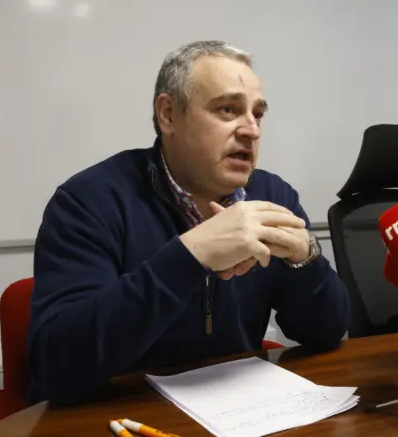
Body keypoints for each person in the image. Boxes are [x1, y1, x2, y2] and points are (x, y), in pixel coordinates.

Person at [27, 40, 350, 405]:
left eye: (257, 114)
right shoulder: (88, 201)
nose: (252, 131)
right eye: (228, 110)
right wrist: (191, 254)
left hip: (235, 412)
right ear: (168, 115)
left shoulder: (274, 196)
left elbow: (327, 333)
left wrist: (305, 260)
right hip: (118, 414)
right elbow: (56, 364)